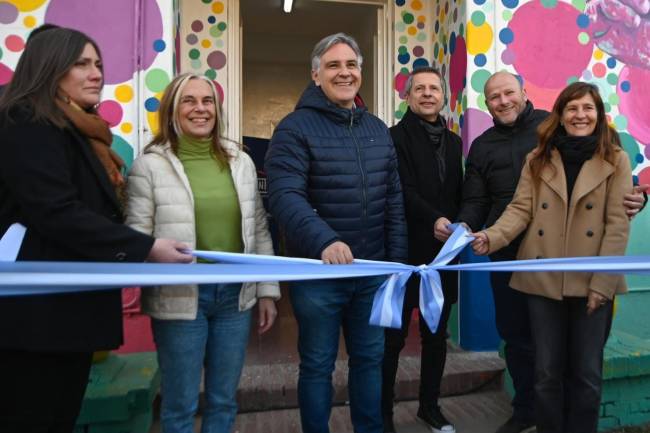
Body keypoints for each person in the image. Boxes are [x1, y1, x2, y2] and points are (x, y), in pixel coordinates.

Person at [0, 27, 192, 433]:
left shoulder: (79, 130)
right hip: (33, 320)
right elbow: (56, 211)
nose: (96, 74)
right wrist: (146, 247)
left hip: (64, 314)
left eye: (99, 64)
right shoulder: (26, 121)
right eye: (82, 64)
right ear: (50, 68)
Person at [449, 71, 645, 433]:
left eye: (588, 108)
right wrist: (488, 237)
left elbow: (618, 222)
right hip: (539, 275)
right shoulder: (536, 157)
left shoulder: (614, 157)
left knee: (586, 373)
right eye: (572, 108)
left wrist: (602, 284)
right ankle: (538, 422)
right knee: (544, 371)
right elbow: (519, 209)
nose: (580, 115)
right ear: (561, 113)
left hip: (591, 281)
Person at [265, 33, 407, 433]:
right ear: (315, 75)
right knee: (317, 365)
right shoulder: (294, 129)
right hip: (319, 277)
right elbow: (284, 196)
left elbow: (393, 201)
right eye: (333, 65)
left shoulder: (378, 129)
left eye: (351, 65)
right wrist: (324, 240)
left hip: (373, 274)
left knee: (369, 362)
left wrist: (396, 264)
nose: (344, 73)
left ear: (361, 71)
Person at [125, 72, 280, 433]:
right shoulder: (149, 165)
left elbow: (258, 228)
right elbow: (136, 236)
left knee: (224, 401)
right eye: (189, 101)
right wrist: (150, 252)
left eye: (207, 101)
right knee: (179, 406)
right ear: (172, 110)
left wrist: (268, 290)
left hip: (234, 298)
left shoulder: (239, 161)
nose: (200, 109)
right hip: (180, 298)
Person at [381, 66, 462, 433]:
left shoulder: (454, 141)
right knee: (393, 338)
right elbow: (402, 189)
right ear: (408, 96)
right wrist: (434, 218)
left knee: (436, 335)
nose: (428, 94)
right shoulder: (393, 137)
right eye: (420, 89)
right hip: (405, 251)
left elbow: (458, 192)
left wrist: (461, 225)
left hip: (445, 255)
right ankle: (383, 412)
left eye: (434, 88)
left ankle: (429, 407)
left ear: (443, 96)